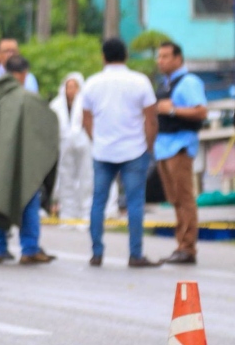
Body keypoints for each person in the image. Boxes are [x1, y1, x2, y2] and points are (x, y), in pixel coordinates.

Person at [81, 39, 160, 268]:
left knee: (98, 202)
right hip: (134, 150)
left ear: (103, 56)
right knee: (135, 203)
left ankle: (97, 253)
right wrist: (149, 145)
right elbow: (151, 118)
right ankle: (135, 254)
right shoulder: (139, 81)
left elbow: (86, 119)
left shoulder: (92, 83)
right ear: (125, 55)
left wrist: (97, 141)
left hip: (103, 151)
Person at [0, 55, 59, 265]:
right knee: (28, 198)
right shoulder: (27, 98)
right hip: (22, 162)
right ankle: (30, 249)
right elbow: (47, 126)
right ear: (22, 73)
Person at [154, 41, 208, 264]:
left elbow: (201, 110)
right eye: (159, 57)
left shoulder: (189, 82)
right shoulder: (165, 84)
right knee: (174, 198)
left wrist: (173, 110)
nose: (161, 61)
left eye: (166, 56)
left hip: (180, 145)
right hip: (163, 146)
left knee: (185, 198)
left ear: (178, 58)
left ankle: (187, 247)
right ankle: (181, 244)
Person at [50, 72, 118, 225]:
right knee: (65, 179)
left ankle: (86, 213)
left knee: (86, 179)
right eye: (69, 86)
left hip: (84, 144)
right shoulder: (56, 105)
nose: (71, 90)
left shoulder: (86, 102)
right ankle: (68, 215)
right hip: (64, 146)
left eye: (74, 86)